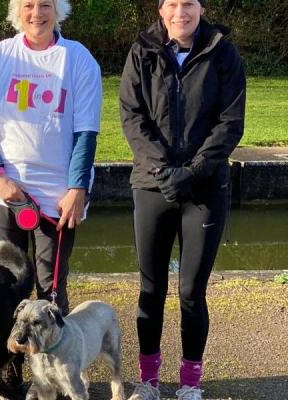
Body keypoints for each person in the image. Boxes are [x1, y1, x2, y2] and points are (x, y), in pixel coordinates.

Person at [0, 0, 102, 390]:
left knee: (51, 292)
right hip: (3, 192)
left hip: (58, 198)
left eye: (45, 4)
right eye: (28, 4)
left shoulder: (78, 59)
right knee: (9, 290)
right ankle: (11, 370)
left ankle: (55, 377)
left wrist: (78, 187)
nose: (36, 12)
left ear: (58, 10)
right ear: (17, 11)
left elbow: (86, 132)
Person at [119, 1, 245, 399]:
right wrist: (162, 170)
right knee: (150, 289)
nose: (180, 12)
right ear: (161, 10)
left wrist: (191, 172)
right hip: (152, 185)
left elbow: (230, 121)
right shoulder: (142, 50)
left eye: (187, 3)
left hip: (204, 189)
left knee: (192, 291)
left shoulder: (223, 52)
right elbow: (132, 116)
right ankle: (149, 380)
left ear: (201, 7)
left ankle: (190, 384)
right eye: (172, 4)